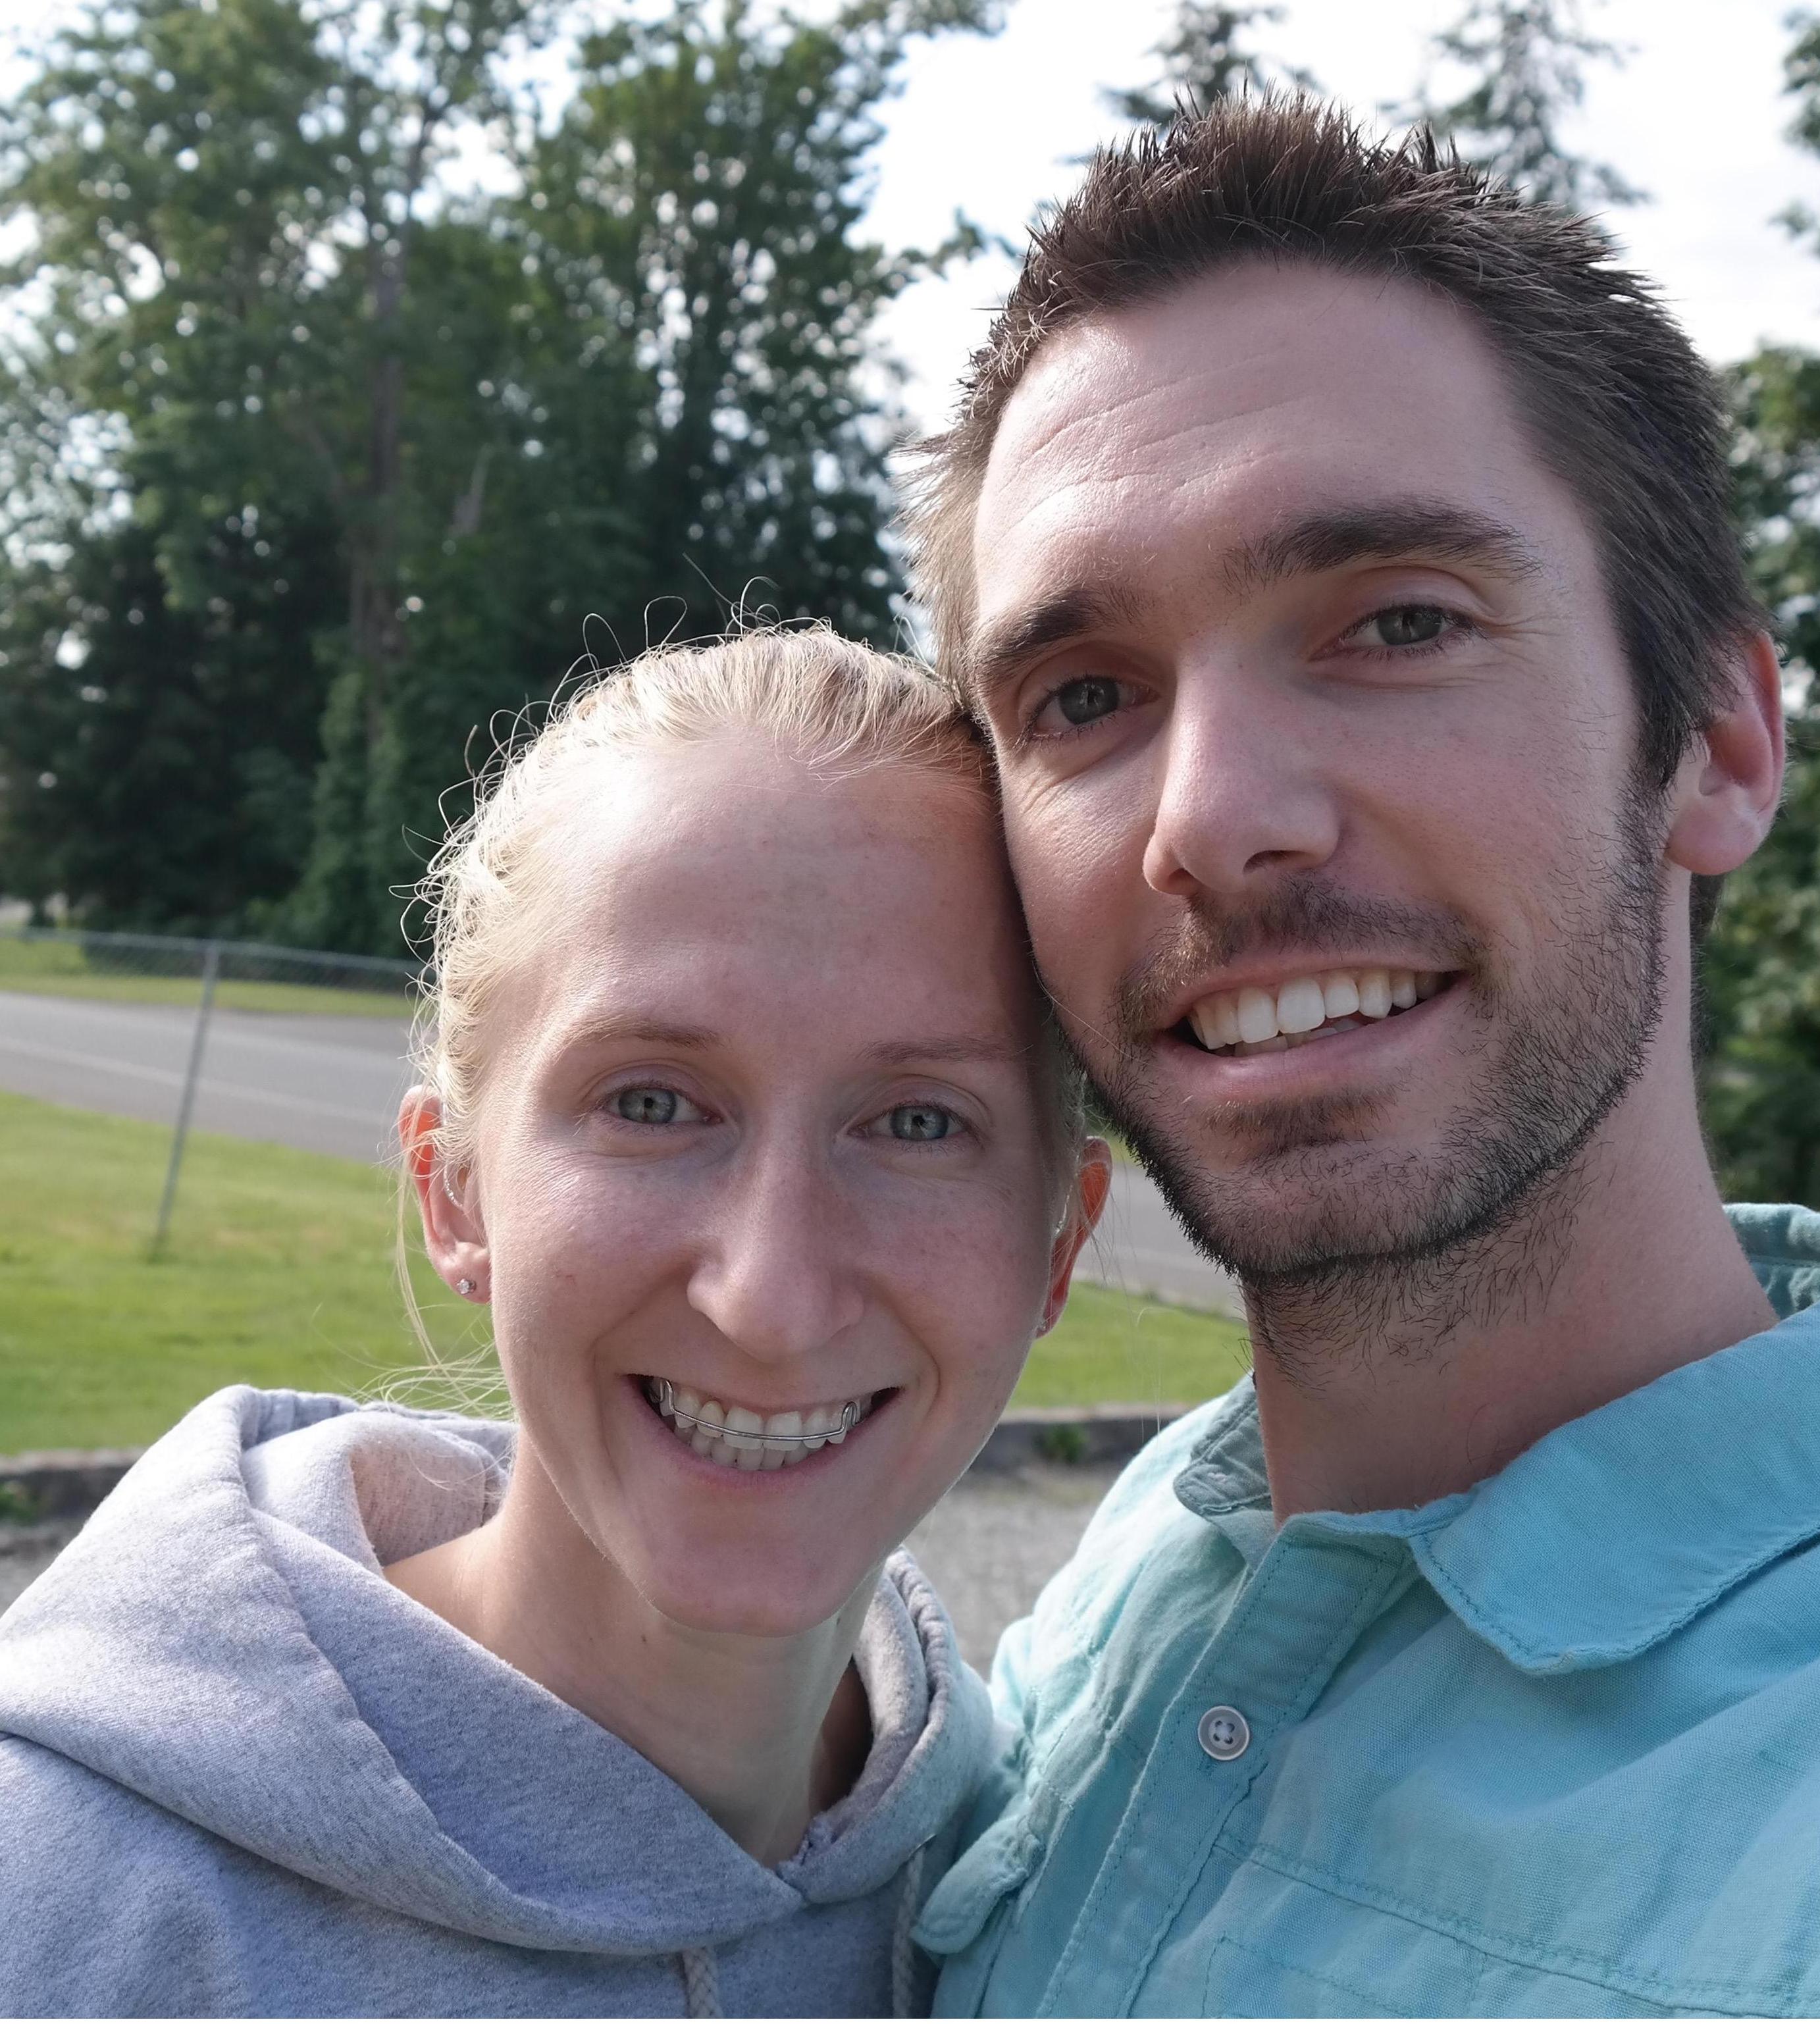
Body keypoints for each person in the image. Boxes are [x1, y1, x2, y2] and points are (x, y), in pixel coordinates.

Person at [903, 98, 1820, 2016]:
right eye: (1082, 695)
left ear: (1718, 742)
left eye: (1397, 622)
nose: (1210, 820)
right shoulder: (1154, 1562)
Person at [0, 629, 1108, 2017]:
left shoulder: (1043, 1904)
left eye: (919, 1122)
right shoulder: (58, 1897)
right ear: (454, 1189)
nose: (768, 1299)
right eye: (651, 1102)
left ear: (1058, 1241)